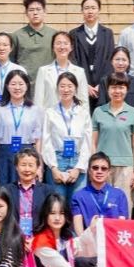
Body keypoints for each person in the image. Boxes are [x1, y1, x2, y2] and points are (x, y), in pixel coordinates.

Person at [69, 152, 125, 267]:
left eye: (103, 168)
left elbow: (122, 226)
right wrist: (89, 234)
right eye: (95, 168)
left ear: (109, 172)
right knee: (83, 262)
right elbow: (78, 227)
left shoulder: (119, 195)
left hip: (112, 248)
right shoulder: (79, 196)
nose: (99, 171)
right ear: (89, 170)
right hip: (88, 247)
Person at [90, 73, 134, 205]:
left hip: (126, 167)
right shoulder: (98, 112)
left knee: (123, 206)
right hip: (102, 167)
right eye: (113, 87)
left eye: (121, 87)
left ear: (127, 89)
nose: (117, 91)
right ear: (107, 89)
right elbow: (93, 142)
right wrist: (93, 166)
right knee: (101, 204)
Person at [42, 71, 91, 206]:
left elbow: (87, 143)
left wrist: (78, 168)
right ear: (57, 89)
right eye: (62, 86)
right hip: (57, 161)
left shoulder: (83, 113)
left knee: (77, 205)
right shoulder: (50, 112)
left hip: (78, 161)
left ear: (76, 88)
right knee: (57, 205)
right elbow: (46, 142)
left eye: (70, 86)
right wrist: (54, 168)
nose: (66, 90)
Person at [0, 71, 43, 186]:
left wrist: (40, 166)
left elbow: (38, 140)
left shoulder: (35, 110)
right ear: (7, 86)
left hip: (27, 156)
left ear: (27, 86)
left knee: (26, 191)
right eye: (13, 84)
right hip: (4, 156)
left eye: (21, 84)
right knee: (4, 191)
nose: (17, 88)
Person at [69, 0, 115, 108]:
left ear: (99, 10)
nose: (90, 11)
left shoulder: (107, 33)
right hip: (80, 87)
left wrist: (102, 84)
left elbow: (110, 60)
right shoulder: (74, 34)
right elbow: (73, 61)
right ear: (82, 11)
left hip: (102, 88)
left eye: (93, 8)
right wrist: (84, 84)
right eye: (86, 8)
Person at [2, 146, 53, 237]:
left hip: (39, 238)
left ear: (37, 167)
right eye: (23, 165)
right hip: (13, 238)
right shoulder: (6, 190)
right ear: (16, 167)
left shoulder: (47, 191)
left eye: (31, 165)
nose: (27, 169)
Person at [10, 0, 58, 84]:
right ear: (26, 13)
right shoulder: (17, 36)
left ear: (45, 11)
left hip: (49, 84)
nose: (35, 13)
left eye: (38, 9)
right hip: (24, 86)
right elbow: (11, 62)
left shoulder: (54, 35)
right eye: (31, 10)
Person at [32, 31, 88, 109]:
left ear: (71, 47)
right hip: (50, 115)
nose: (62, 47)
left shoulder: (79, 72)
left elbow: (84, 101)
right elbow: (38, 100)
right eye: (58, 43)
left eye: (65, 43)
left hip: (73, 115)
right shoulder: (43, 71)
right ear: (53, 47)